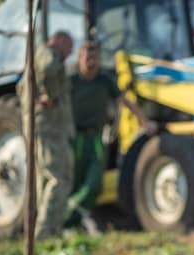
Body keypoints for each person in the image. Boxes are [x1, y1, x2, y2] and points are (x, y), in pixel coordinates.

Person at [65, 41, 156, 231]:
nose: (92, 62)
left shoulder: (104, 80)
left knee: (94, 183)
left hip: (97, 137)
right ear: (80, 59)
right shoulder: (71, 81)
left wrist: (143, 120)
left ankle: (72, 216)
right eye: (88, 58)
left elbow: (125, 101)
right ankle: (71, 222)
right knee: (74, 181)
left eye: (95, 58)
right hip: (76, 137)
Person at [16, 31, 74, 239]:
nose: (70, 53)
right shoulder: (49, 54)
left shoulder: (40, 55)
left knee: (46, 177)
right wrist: (50, 94)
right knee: (58, 177)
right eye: (70, 47)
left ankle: (45, 230)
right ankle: (46, 230)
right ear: (60, 41)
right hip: (48, 126)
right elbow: (49, 69)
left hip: (42, 126)